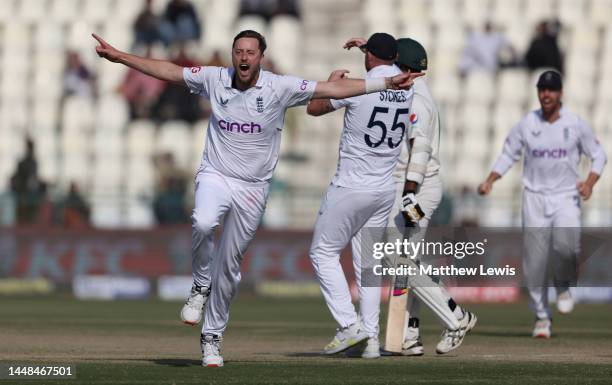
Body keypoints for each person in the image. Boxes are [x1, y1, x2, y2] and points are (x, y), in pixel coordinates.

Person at [93, 29, 418, 367]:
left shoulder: (279, 86)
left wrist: (384, 84)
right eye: (238, 51)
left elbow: (330, 89)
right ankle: (200, 284)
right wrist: (121, 57)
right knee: (203, 221)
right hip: (216, 175)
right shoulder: (214, 78)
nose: (244, 57)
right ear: (232, 55)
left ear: (261, 57)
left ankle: (212, 337)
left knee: (230, 267)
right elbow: (171, 71)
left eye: (251, 52)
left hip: (253, 188)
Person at [344, 36, 477, 356]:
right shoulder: (411, 89)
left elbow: (421, 150)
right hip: (407, 187)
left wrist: (409, 194)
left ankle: (457, 317)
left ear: (407, 70)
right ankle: (409, 334)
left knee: (396, 258)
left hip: (417, 191)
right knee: (407, 262)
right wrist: (369, 49)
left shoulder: (417, 101)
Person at [306, 33, 423, 359]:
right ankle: (370, 340)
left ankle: (349, 326)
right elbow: (386, 66)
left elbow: (314, 108)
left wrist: (331, 81)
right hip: (384, 189)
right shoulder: (405, 89)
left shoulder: (356, 87)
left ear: (369, 56)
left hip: (350, 187)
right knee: (369, 267)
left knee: (322, 254)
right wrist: (368, 49)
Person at [478, 70, 606, 338]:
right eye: (542, 89)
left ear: (560, 93)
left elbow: (599, 155)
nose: (546, 94)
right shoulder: (527, 123)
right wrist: (490, 180)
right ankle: (541, 316)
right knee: (535, 262)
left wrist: (590, 184)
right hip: (534, 197)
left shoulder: (575, 124)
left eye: (551, 90)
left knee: (566, 247)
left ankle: (563, 284)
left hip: (565, 196)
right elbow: (508, 154)